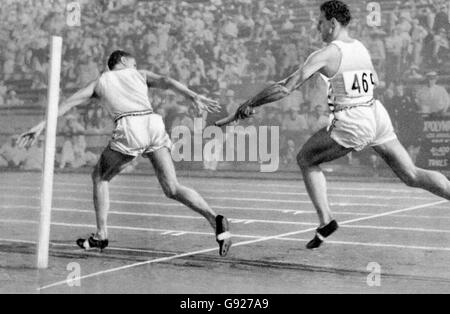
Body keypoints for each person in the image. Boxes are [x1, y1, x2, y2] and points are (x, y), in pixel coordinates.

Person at [225, 0, 450, 249]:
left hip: (354, 119)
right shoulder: (360, 47)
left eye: (320, 22)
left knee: (305, 159)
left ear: (332, 24)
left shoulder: (326, 53)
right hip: (376, 112)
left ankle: (326, 219)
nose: (316, 27)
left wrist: (250, 103)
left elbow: (284, 87)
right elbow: (372, 80)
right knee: (411, 174)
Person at [18, 50, 232, 256]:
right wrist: (193, 96)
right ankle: (215, 219)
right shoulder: (140, 75)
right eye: (134, 62)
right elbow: (166, 81)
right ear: (121, 60)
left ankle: (101, 234)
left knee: (100, 177)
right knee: (172, 187)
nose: (136, 66)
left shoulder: (99, 82)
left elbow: (66, 104)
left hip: (130, 126)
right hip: (153, 124)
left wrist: (40, 126)